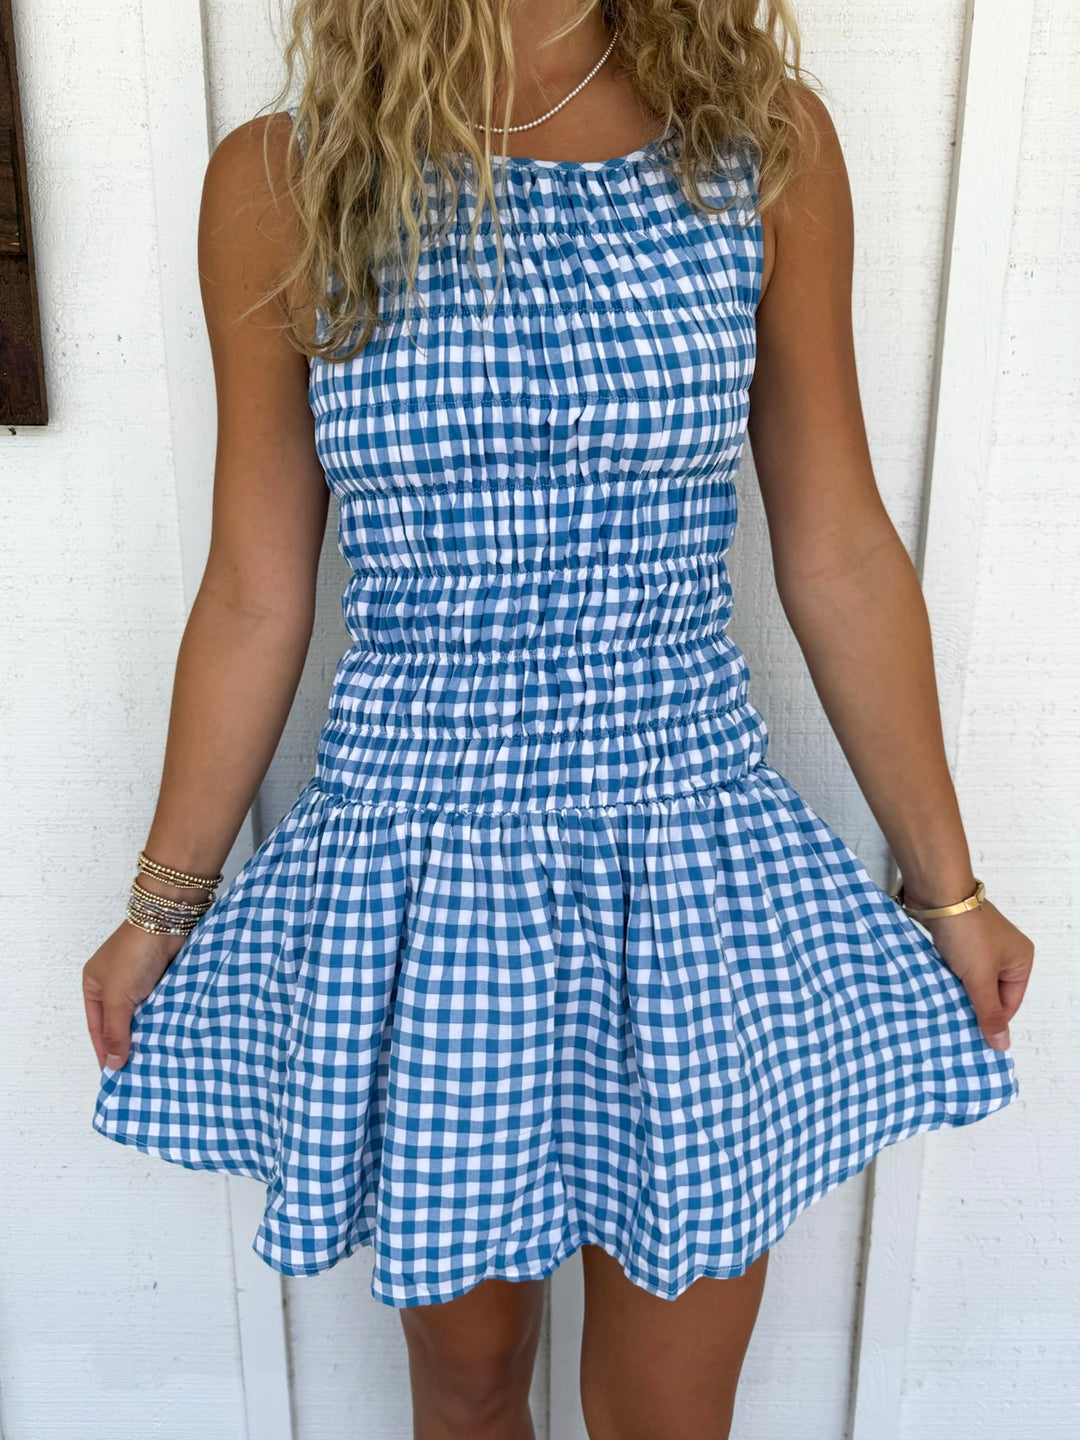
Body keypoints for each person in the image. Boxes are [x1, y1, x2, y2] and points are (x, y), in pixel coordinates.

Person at [83, 1, 1033, 1435]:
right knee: (469, 1392)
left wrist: (949, 888)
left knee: (667, 1413)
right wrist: (162, 905)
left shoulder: (757, 148)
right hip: (425, 887)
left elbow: (838, 548)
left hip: (687, 866)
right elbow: (255, 594)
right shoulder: (287, 180)